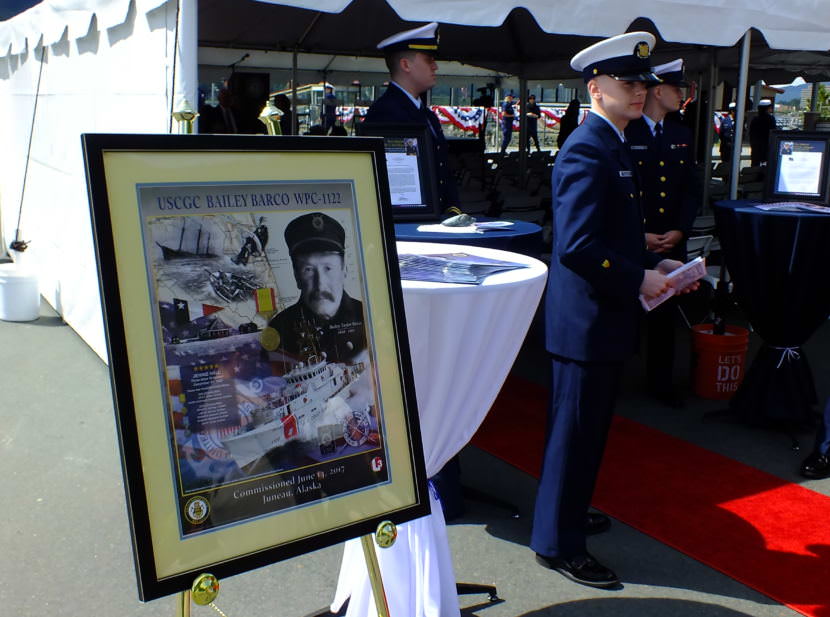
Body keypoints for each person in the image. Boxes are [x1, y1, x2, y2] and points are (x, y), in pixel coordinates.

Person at [530, 31, 698, 589]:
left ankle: (568, 516)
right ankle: (558, 544)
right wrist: (639, 278)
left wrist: (657, 268)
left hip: (603, 312)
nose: (638, 92)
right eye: (626, 82)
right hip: (586, 320)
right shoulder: (588, 146)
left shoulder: (613, 142)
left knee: (587, 433)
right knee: (575, 436)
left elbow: (608, 234)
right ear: (594, 87)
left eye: (641, 83)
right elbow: (575, 245)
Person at [625, 58, 699, 408]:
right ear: (658, 90)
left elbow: (689, 189)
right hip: (635, 237)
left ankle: (661, 381)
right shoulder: (627, 130)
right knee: (624, 309)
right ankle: (618, 376)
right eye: (676, 88)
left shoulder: (681, 133)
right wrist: (638, 235)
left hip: (670, 237)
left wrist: (680, 230)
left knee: (665, 312)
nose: (681, 95)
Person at [364, 22, 459, 213]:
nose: (435, 66)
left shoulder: (426, 115)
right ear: (405, 64)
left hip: (433, 217)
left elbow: (442, 170)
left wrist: (452, 209)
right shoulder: (386, 112)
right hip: (407, 219)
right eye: (428, 60)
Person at [266, 212, 366, 364]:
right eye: (308, 270)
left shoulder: (367, 318)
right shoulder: (278, 331)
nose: (320, 285)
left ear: (344, 269)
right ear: (296, 275)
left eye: (328, 268)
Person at [749, 98, 777, 166]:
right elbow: (773, 132)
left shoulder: (755, 119)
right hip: (766, 148)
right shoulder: (771, 119)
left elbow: (751, 133)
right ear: (768, 108)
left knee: (755, 166)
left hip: (755, 147)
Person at [719, 102, 736, 167]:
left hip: (734, 148)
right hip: (725, 148)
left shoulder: (739, 120)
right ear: (732, 111)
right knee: (725, 166)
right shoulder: (725, 121)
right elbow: (721, 134)